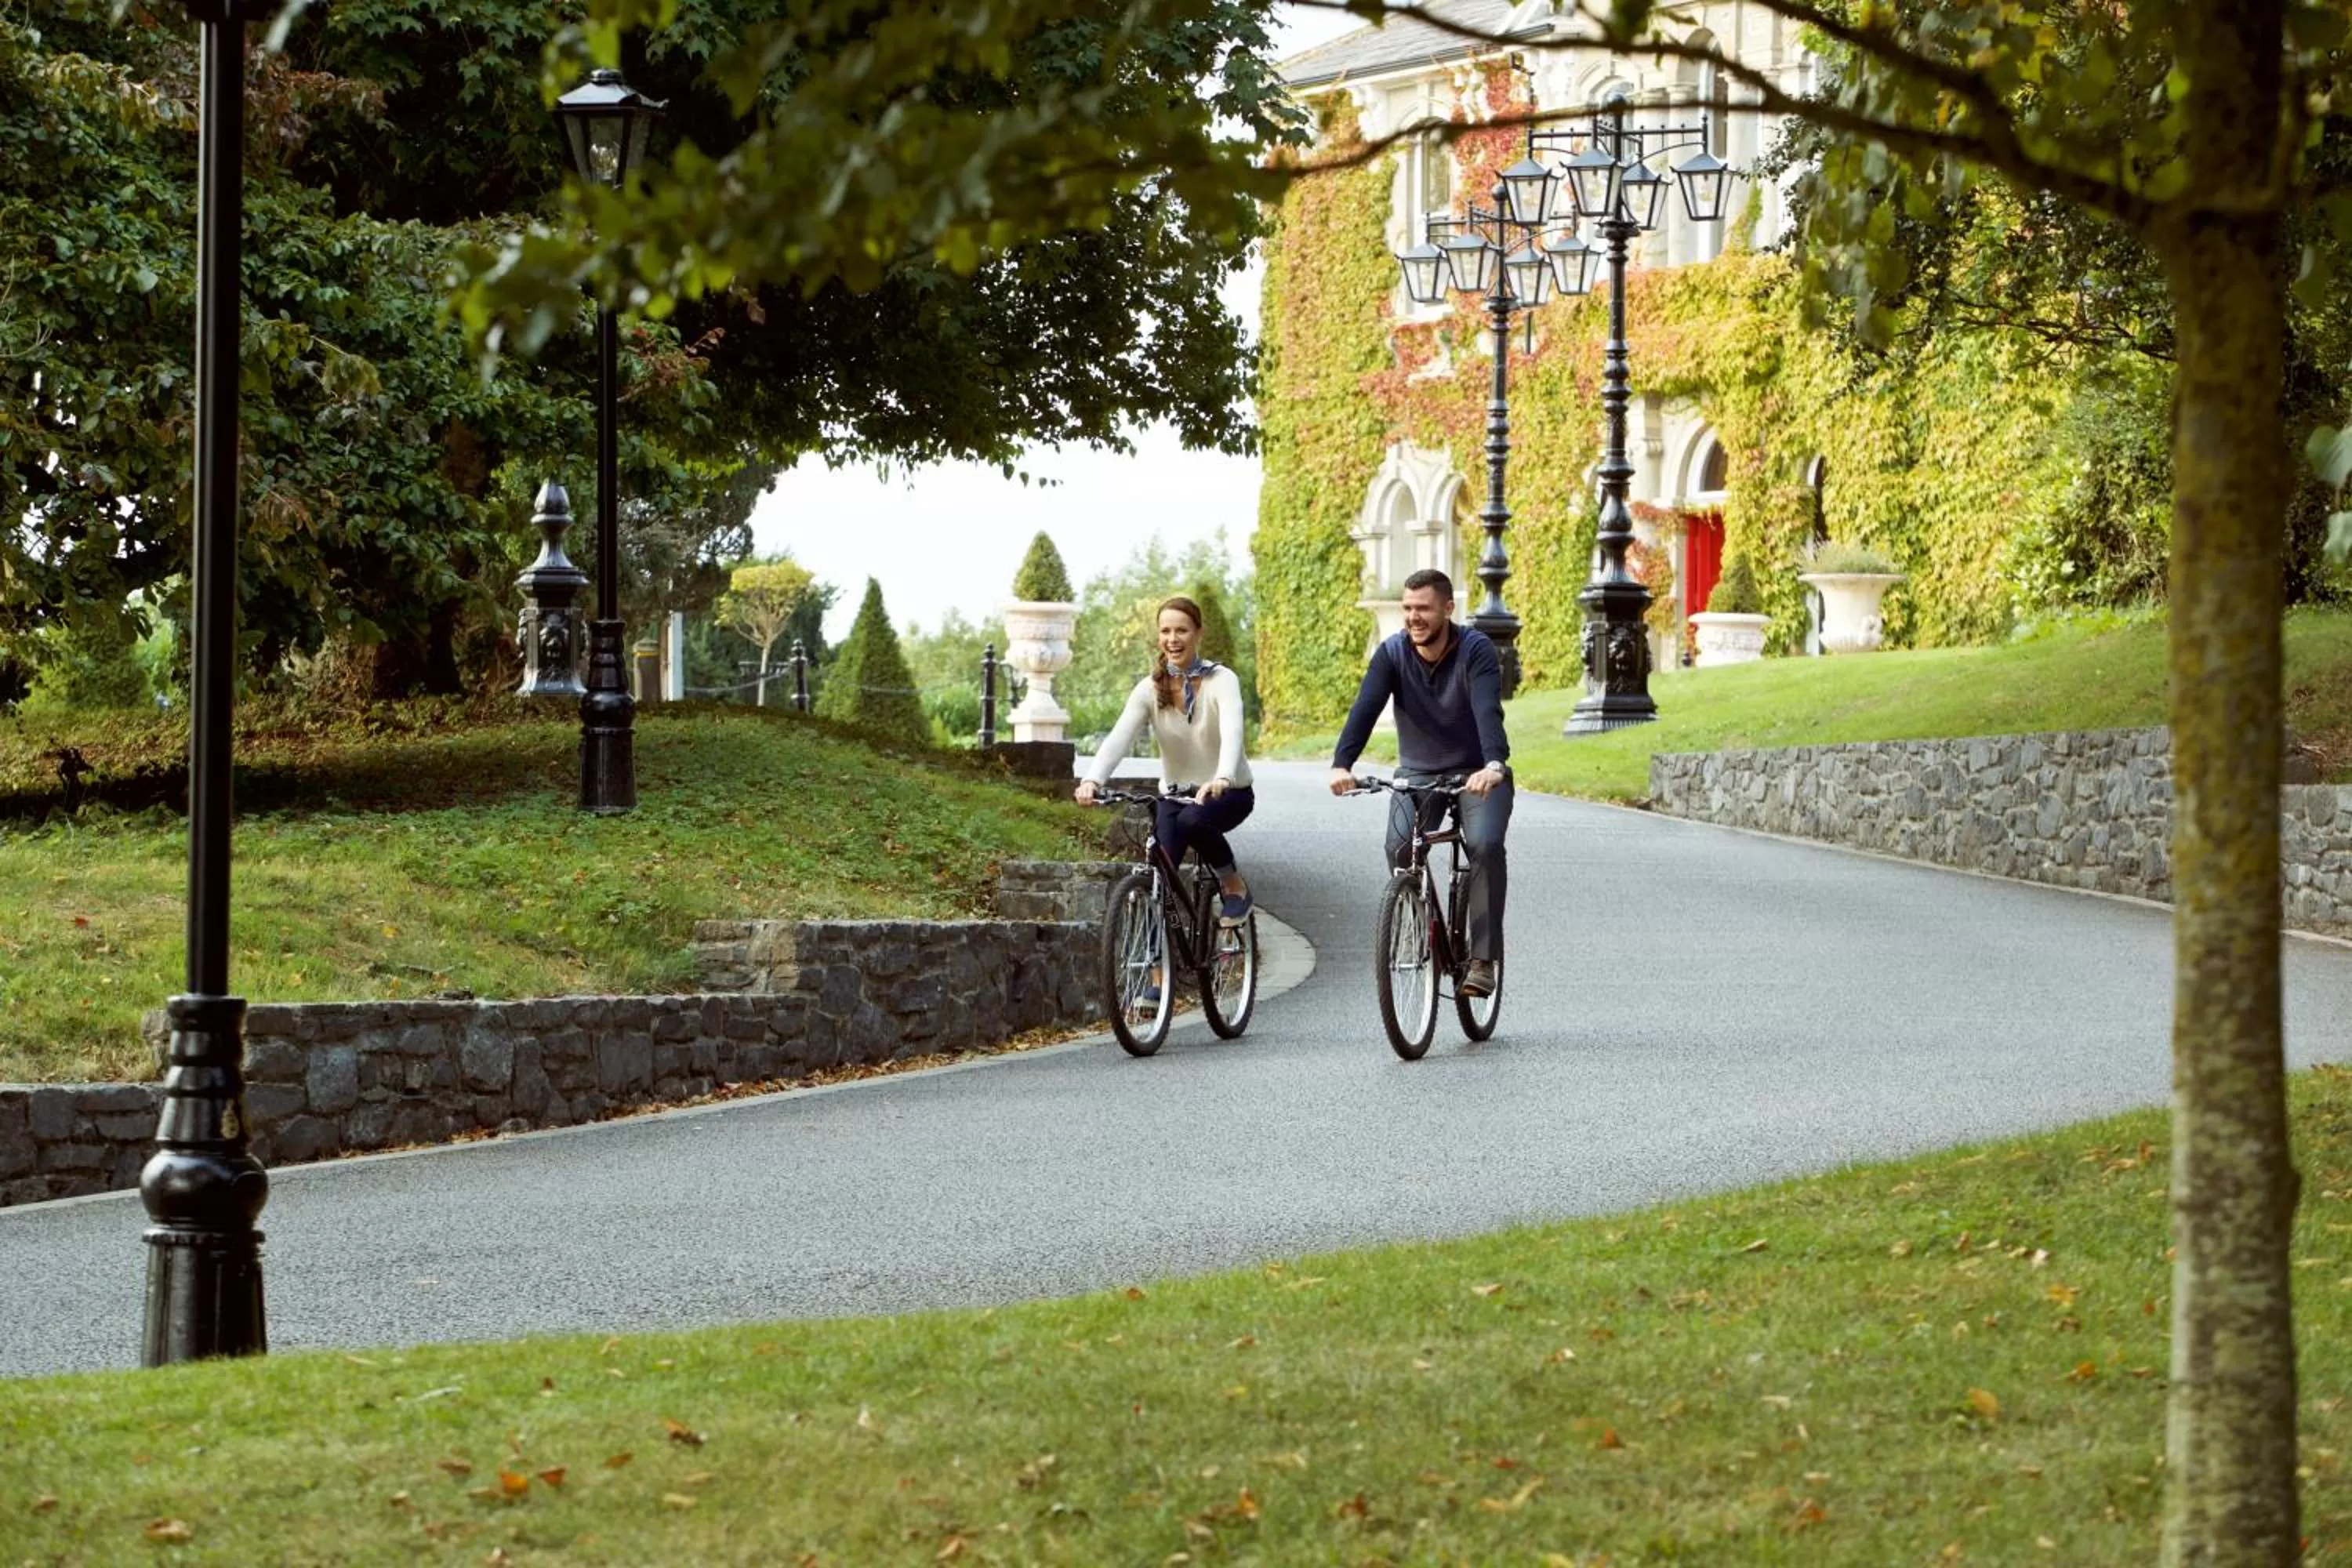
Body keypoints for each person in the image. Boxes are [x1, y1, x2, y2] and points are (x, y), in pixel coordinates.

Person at [1327, 568, 1512, 996]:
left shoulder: (1476, 650)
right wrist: (1342, 763)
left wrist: (1494, 764)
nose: (1413, 617)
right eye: (1408, 608)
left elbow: (1488, 711)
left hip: (1477, 773)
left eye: (1423, 608)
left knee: (1484, 845)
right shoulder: (1392, 653)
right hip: (1418, 774)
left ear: (1448, 608)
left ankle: (1482, 959)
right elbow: (1365, 709)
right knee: (1399, 846)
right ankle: (1414, 918)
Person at [1076, 596, 1256, 926]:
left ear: (1198, 634)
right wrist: (1093, 779)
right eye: (1166, 631)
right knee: (1157, 883)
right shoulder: (1149, 688)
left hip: (1228, 792)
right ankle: (1160, 975)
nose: (1173, 639)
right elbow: (1120, 736)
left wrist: (1224, 777)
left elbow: (1233, 730)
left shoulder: (1222, 680)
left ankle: (1233, 886)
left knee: (1193, 821)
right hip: (1175, 795)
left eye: (1182, 631)